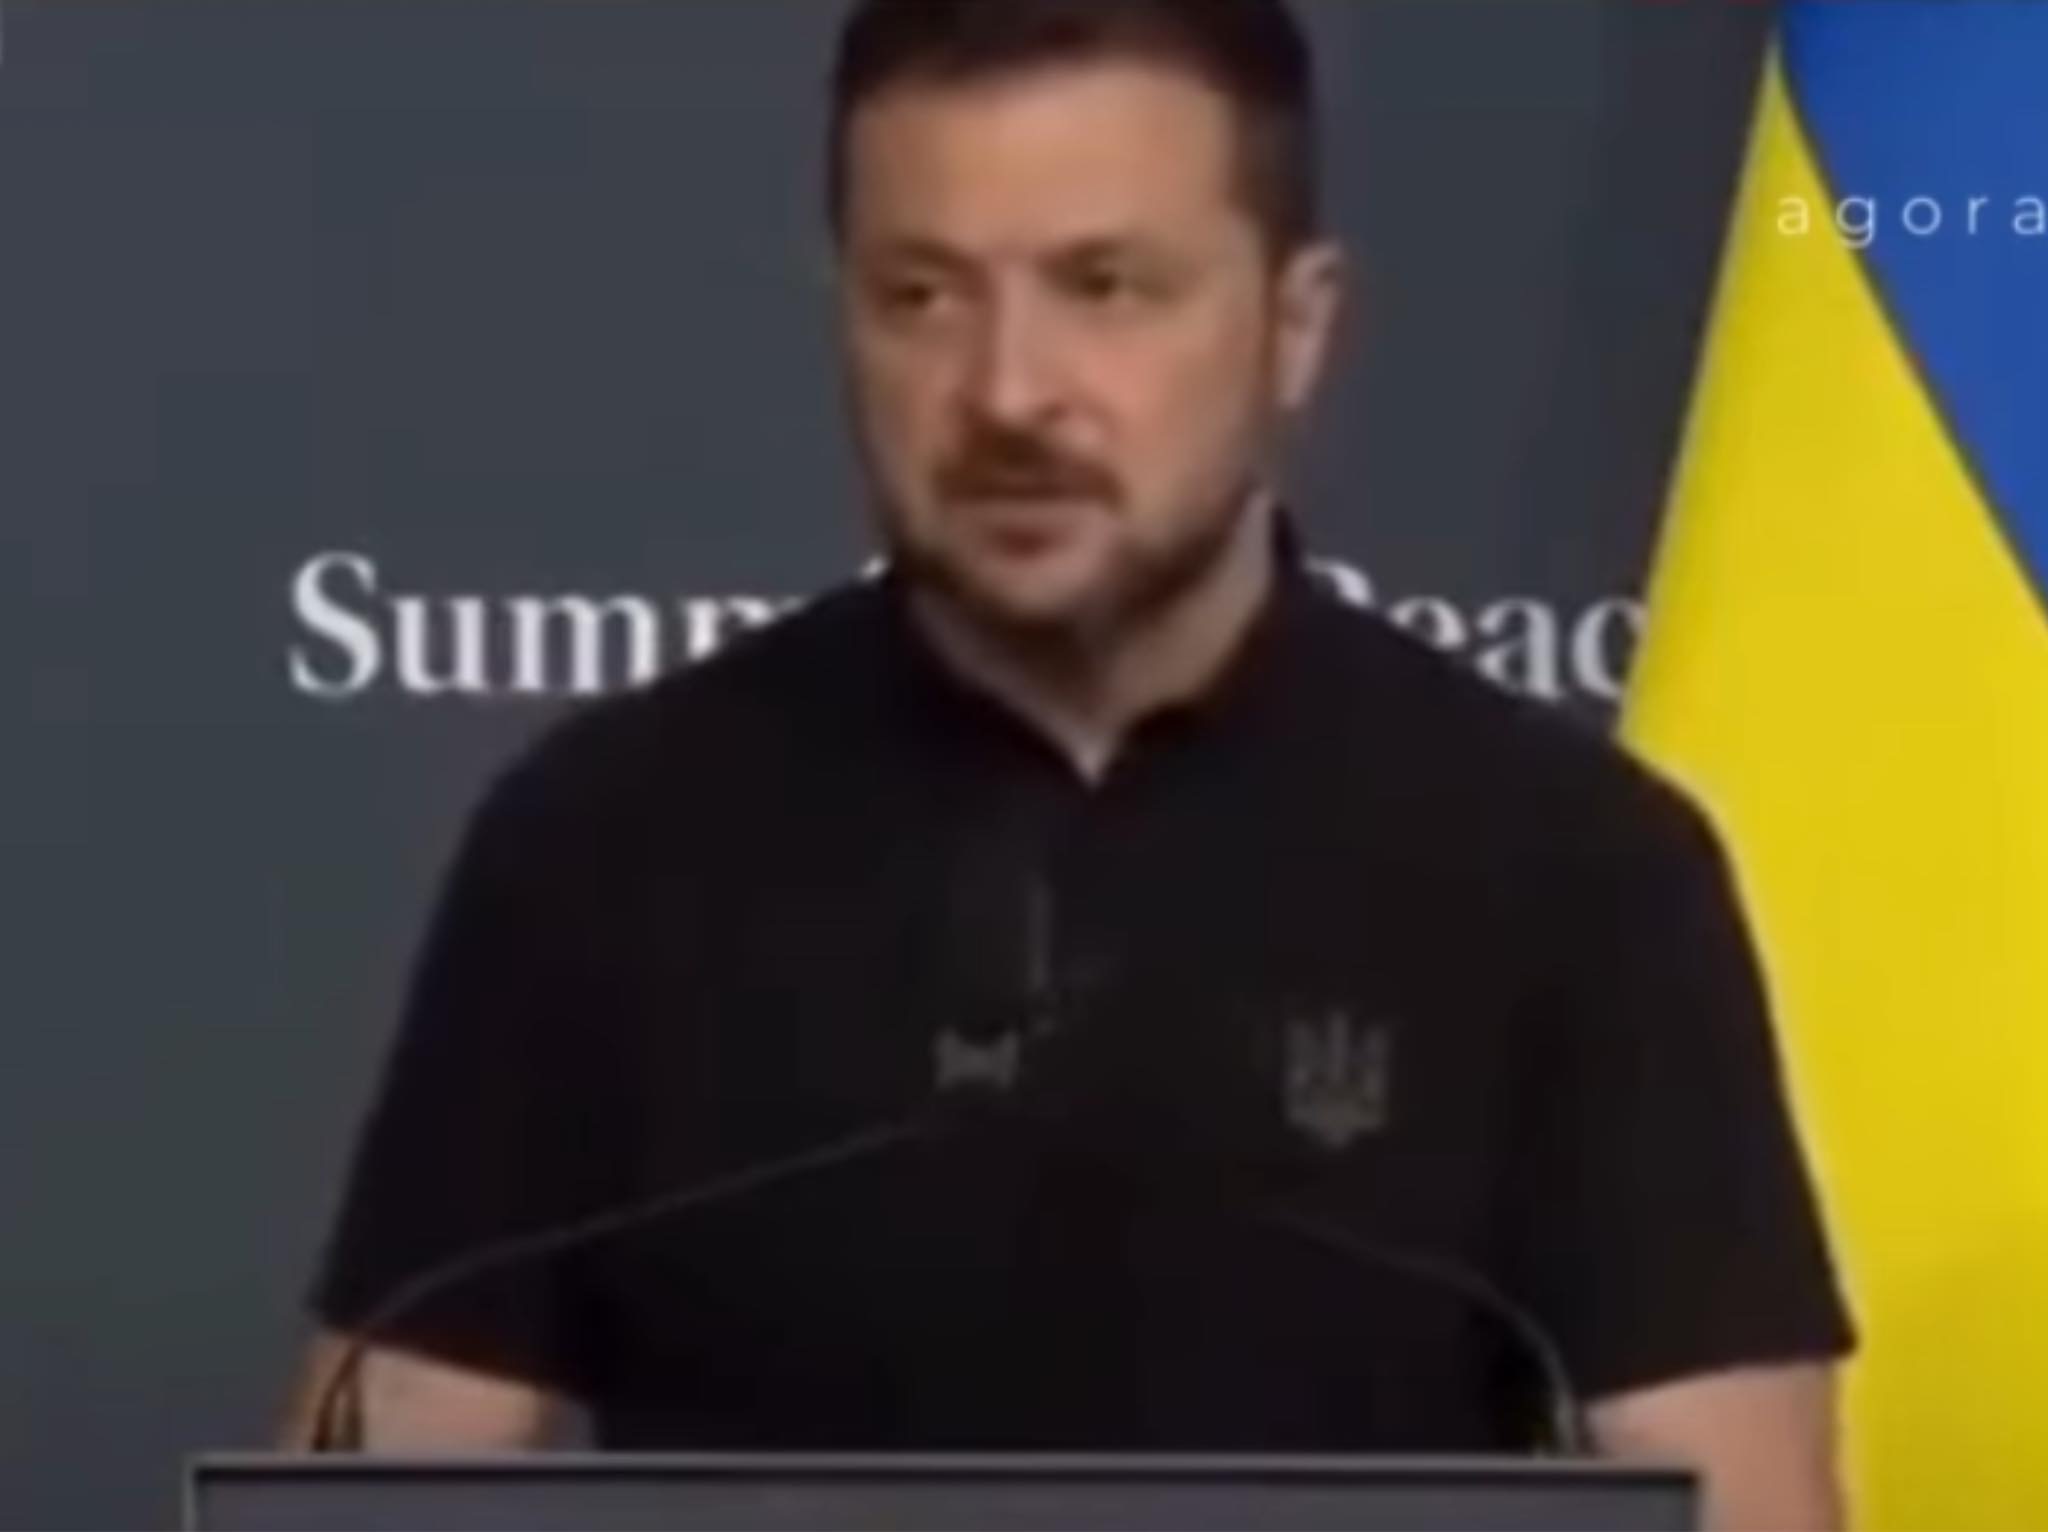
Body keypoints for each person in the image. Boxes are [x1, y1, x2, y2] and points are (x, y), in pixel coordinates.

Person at [283, 2, 1854, 1525]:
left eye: (1106, 287)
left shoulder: (1575, 870)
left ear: (1296, 326)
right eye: (922, 295)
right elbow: (381, 1456)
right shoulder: (599, 843)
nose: (1007, 392)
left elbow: (1738, 1501)